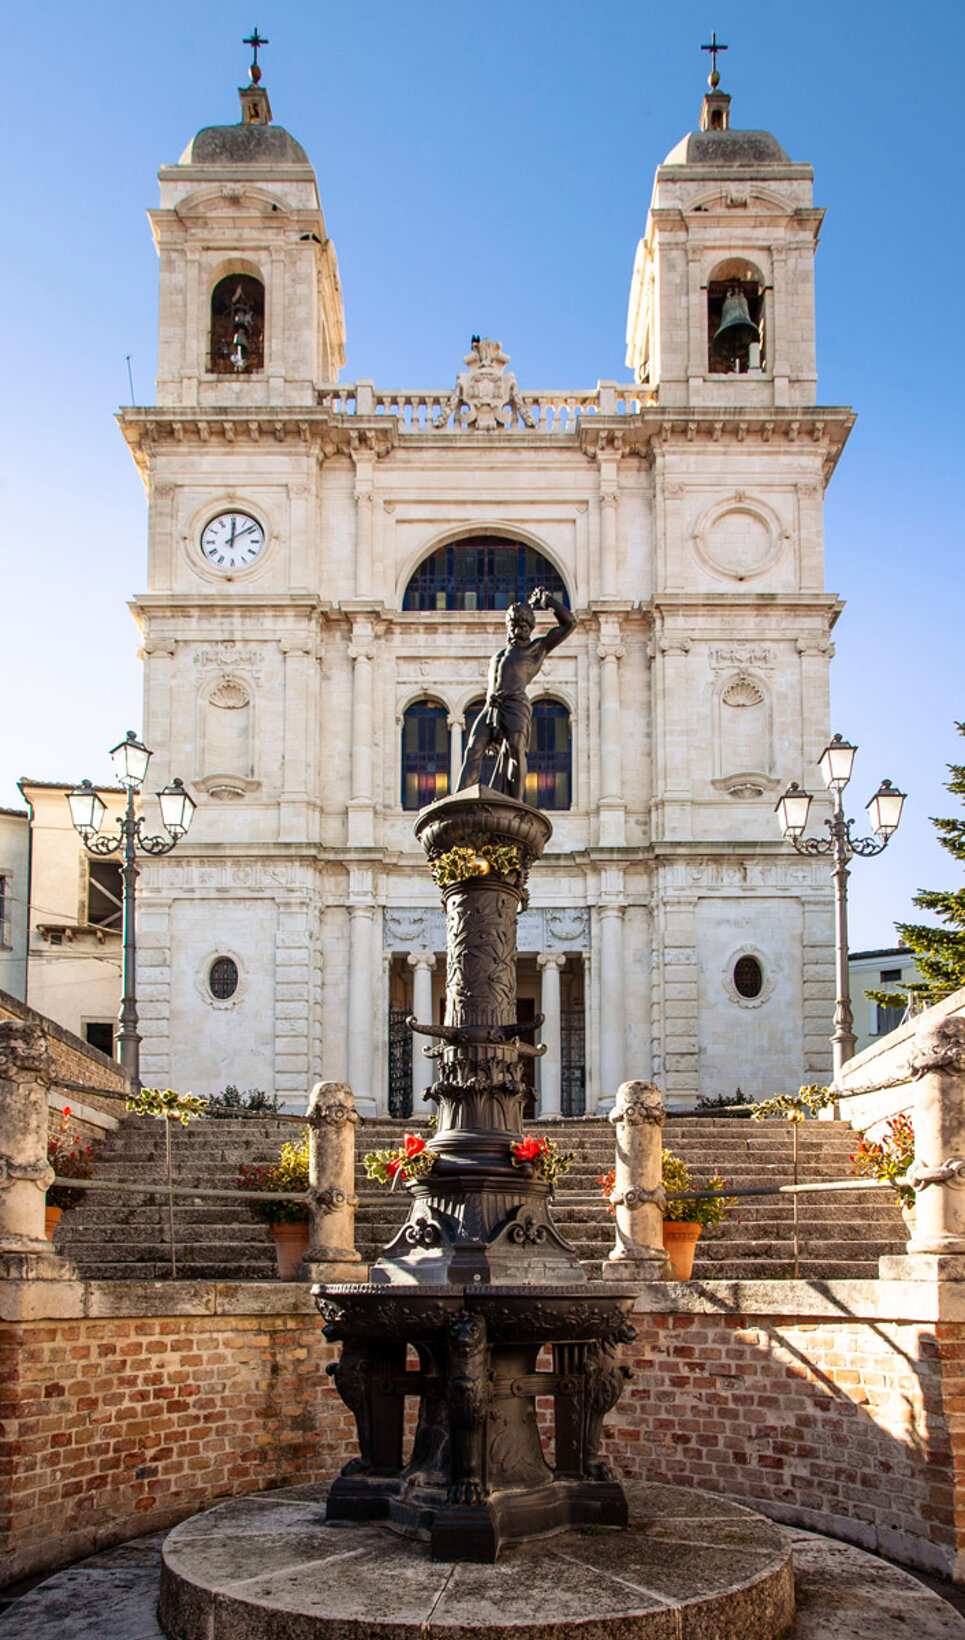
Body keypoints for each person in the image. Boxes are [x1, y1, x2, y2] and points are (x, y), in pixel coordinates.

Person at [456, 587, 576, 802]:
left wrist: (548, 601)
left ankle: (516, 802)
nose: (517, 631)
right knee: (473, 749)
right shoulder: (500, 654)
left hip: (515, 705)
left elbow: (570, 624)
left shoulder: (536, 649)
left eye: (522, 627)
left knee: (516, 751)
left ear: (530, 629)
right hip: (491, 706)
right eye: (513, 626)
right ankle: (458, 800)